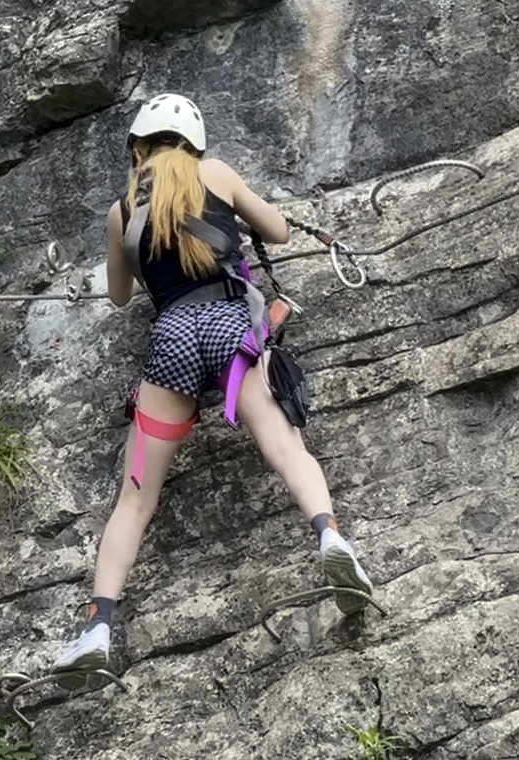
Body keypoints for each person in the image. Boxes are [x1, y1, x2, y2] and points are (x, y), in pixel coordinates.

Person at [52, 93, 373, 675]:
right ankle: (329, 537)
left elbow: (121, 296)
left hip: (172, 335)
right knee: (283, 447)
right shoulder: (215, 173)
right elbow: (275, 231)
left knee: (136, 497)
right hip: (230, 323)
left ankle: (98, 628)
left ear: (136, 146)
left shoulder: (121, 210)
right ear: (193, 145)